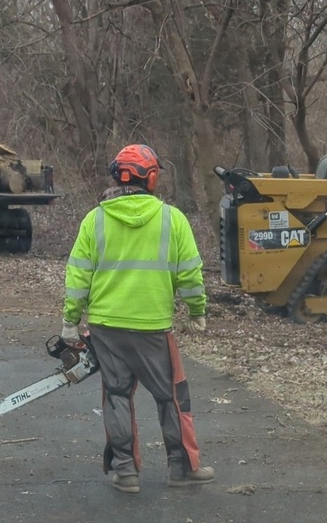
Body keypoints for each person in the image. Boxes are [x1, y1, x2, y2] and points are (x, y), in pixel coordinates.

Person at [61, 144, 214, 494]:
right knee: (171, 397)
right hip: (153, 327)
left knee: (116, 395)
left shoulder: (95, 219)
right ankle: (181, 469)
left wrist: (70, 320)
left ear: (117, 177)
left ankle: (126, 471)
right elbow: (191, 275)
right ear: (152, 178)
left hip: (106, 327)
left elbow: (77, 276)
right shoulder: (172, 219)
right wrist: (197, 311)